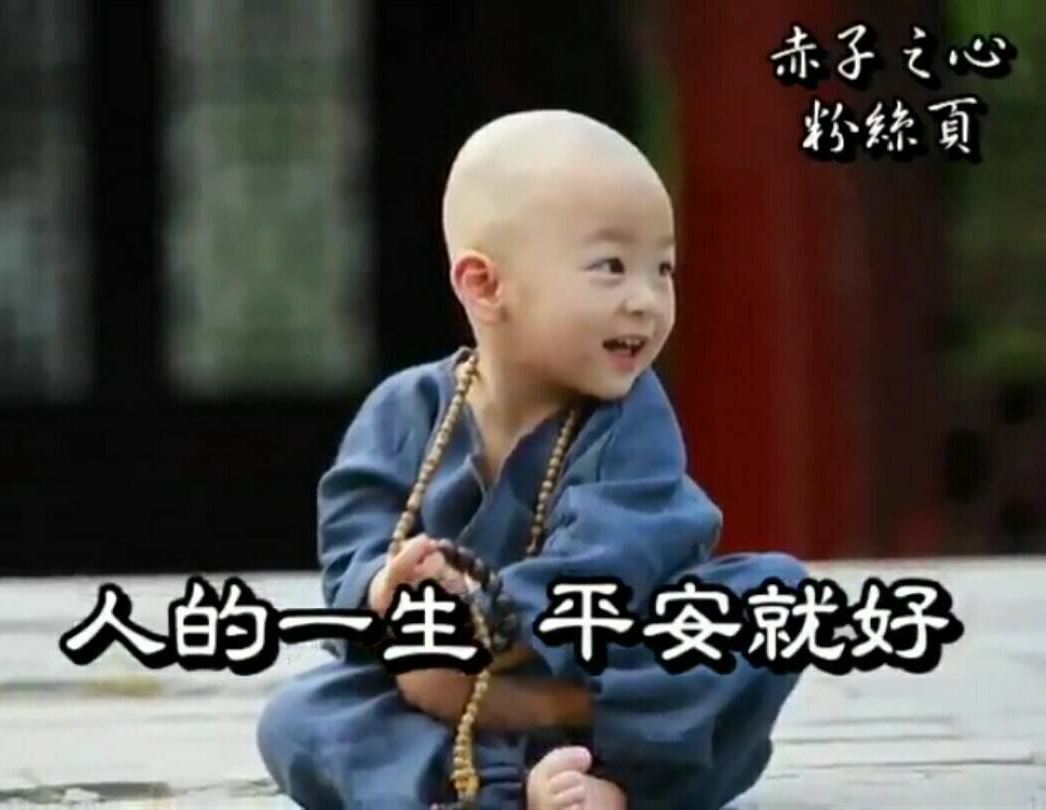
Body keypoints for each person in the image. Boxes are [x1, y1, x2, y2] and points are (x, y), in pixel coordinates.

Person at [257, 110, 807, 810]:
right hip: (439, 684)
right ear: (486, 286)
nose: (647, 301)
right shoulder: (405, 411)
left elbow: (614, 557)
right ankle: (500, 791)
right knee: (299, 718)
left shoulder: (629, 415)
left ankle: (610, 781)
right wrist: (386, 589)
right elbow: (352, 548)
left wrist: (486, 626)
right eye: (611, 267)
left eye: (663, 269)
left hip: (605, 685)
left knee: (772, 599)